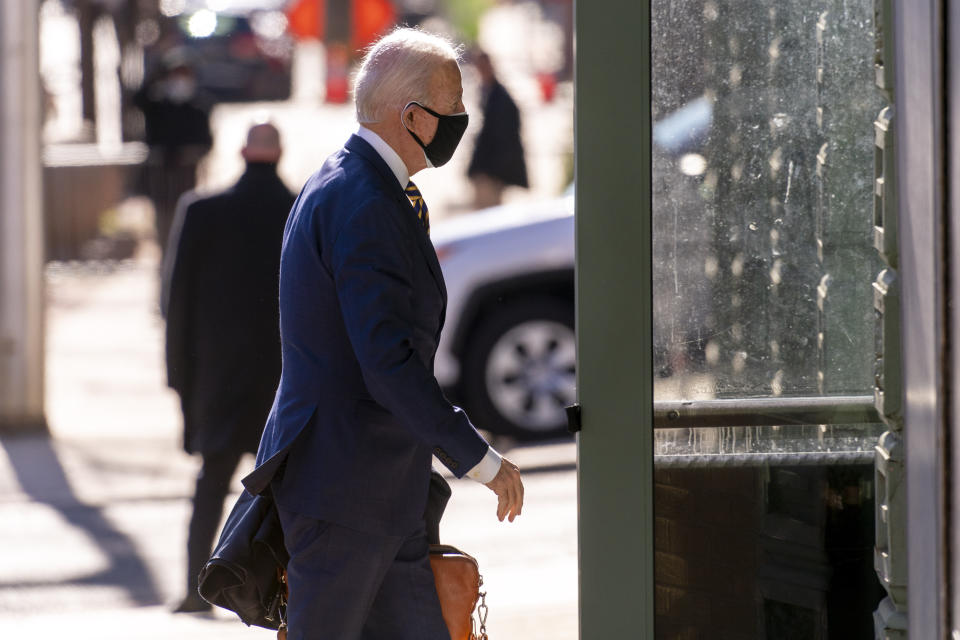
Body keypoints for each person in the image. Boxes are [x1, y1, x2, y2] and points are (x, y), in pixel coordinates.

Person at [241, 28, 525, 639]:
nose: (460, 121)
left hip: (376, 493)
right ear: (412, 116)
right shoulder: (363, 201)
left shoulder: (351, 181)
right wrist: (477, 457)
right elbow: (388, 362)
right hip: (345, 495)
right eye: (452, 109)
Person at [163, 122, 295, 613]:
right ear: (279, 153)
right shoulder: (300, 210)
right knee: (291, 495)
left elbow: (176, 308)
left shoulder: (202, 212)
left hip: (218, 381)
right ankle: (289, 594)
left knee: (210, 485)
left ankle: (197, 591)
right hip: (287, 383)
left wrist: (180, 382)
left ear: (242, 152)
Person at [133, 49, 213, 258]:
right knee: (164, 226)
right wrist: (154, 73)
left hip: (186, 177)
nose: (180, 80)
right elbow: (137, 99)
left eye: (185, 75)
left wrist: (188, 153)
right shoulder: (157, 105)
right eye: (175, 74)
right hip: (160, 179)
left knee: (186, 222)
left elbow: (206, 142)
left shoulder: (197, 107)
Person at [467, 51, 528, 208]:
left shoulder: (500, 97)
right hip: (487, 170)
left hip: (491, 172)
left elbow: (504, 135)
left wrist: (496, 169)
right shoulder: (488, 92)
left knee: (487, 217)